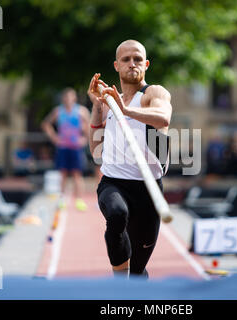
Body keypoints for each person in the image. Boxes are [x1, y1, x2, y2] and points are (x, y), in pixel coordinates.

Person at [87, 40, 172, 278]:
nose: (132, 64)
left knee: (137, 271)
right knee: (116, 215)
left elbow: (163, 118)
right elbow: (96, 150)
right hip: (113, 183)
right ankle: (119, 286)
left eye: (137, 59)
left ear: (146, 64)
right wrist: (97, 105)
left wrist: (125, 110)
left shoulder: (153, 93)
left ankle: (131, 288)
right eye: (126, 60)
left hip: (148, 189)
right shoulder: (111, 102)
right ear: (116, 65)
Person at [42, 88, 90, 211]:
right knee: (62, 174)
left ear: (74, 98)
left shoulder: (81, 111)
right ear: (63, 98)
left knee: (77, 174)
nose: (68, 99)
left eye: (70, 97)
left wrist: (85, 139)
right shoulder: (58, 111)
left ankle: (79, 200)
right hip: (63, 147)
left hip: (76, 147)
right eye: (66, 97)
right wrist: (54, 138)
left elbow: (90, 126)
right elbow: (46, 124)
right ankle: (62, 199)